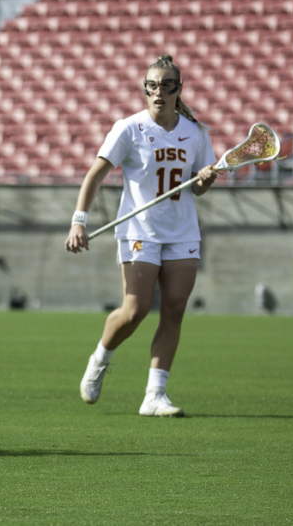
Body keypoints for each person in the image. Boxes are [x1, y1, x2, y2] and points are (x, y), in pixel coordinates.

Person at [64, 55, 219, 417]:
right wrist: (78, 221)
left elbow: (198, 188)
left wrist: (205, 181)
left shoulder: (196, 133)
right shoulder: (128, 129)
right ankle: (100, 358)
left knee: (175, 309)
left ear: (179, 90)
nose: (158, 92)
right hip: (139, 231)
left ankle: (155, 395)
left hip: (182, 232)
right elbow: (95, 175)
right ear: (144, 90)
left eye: (167, 85)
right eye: (152, 85)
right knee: (134, 311)